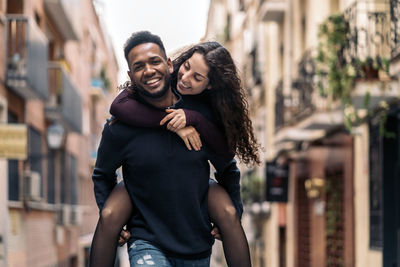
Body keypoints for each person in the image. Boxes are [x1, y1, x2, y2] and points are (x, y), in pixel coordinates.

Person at [91, 31, 259, 267]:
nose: (148, 70)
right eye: (139, 66)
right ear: (130, 75)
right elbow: (102, 174)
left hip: (195, 243)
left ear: (168, 64)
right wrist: (109, 217)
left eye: (155, 61)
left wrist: (234, 213)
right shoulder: (121, 125)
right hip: (146, 241)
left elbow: (227, 165)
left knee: (227, 212)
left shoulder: (201, 115)